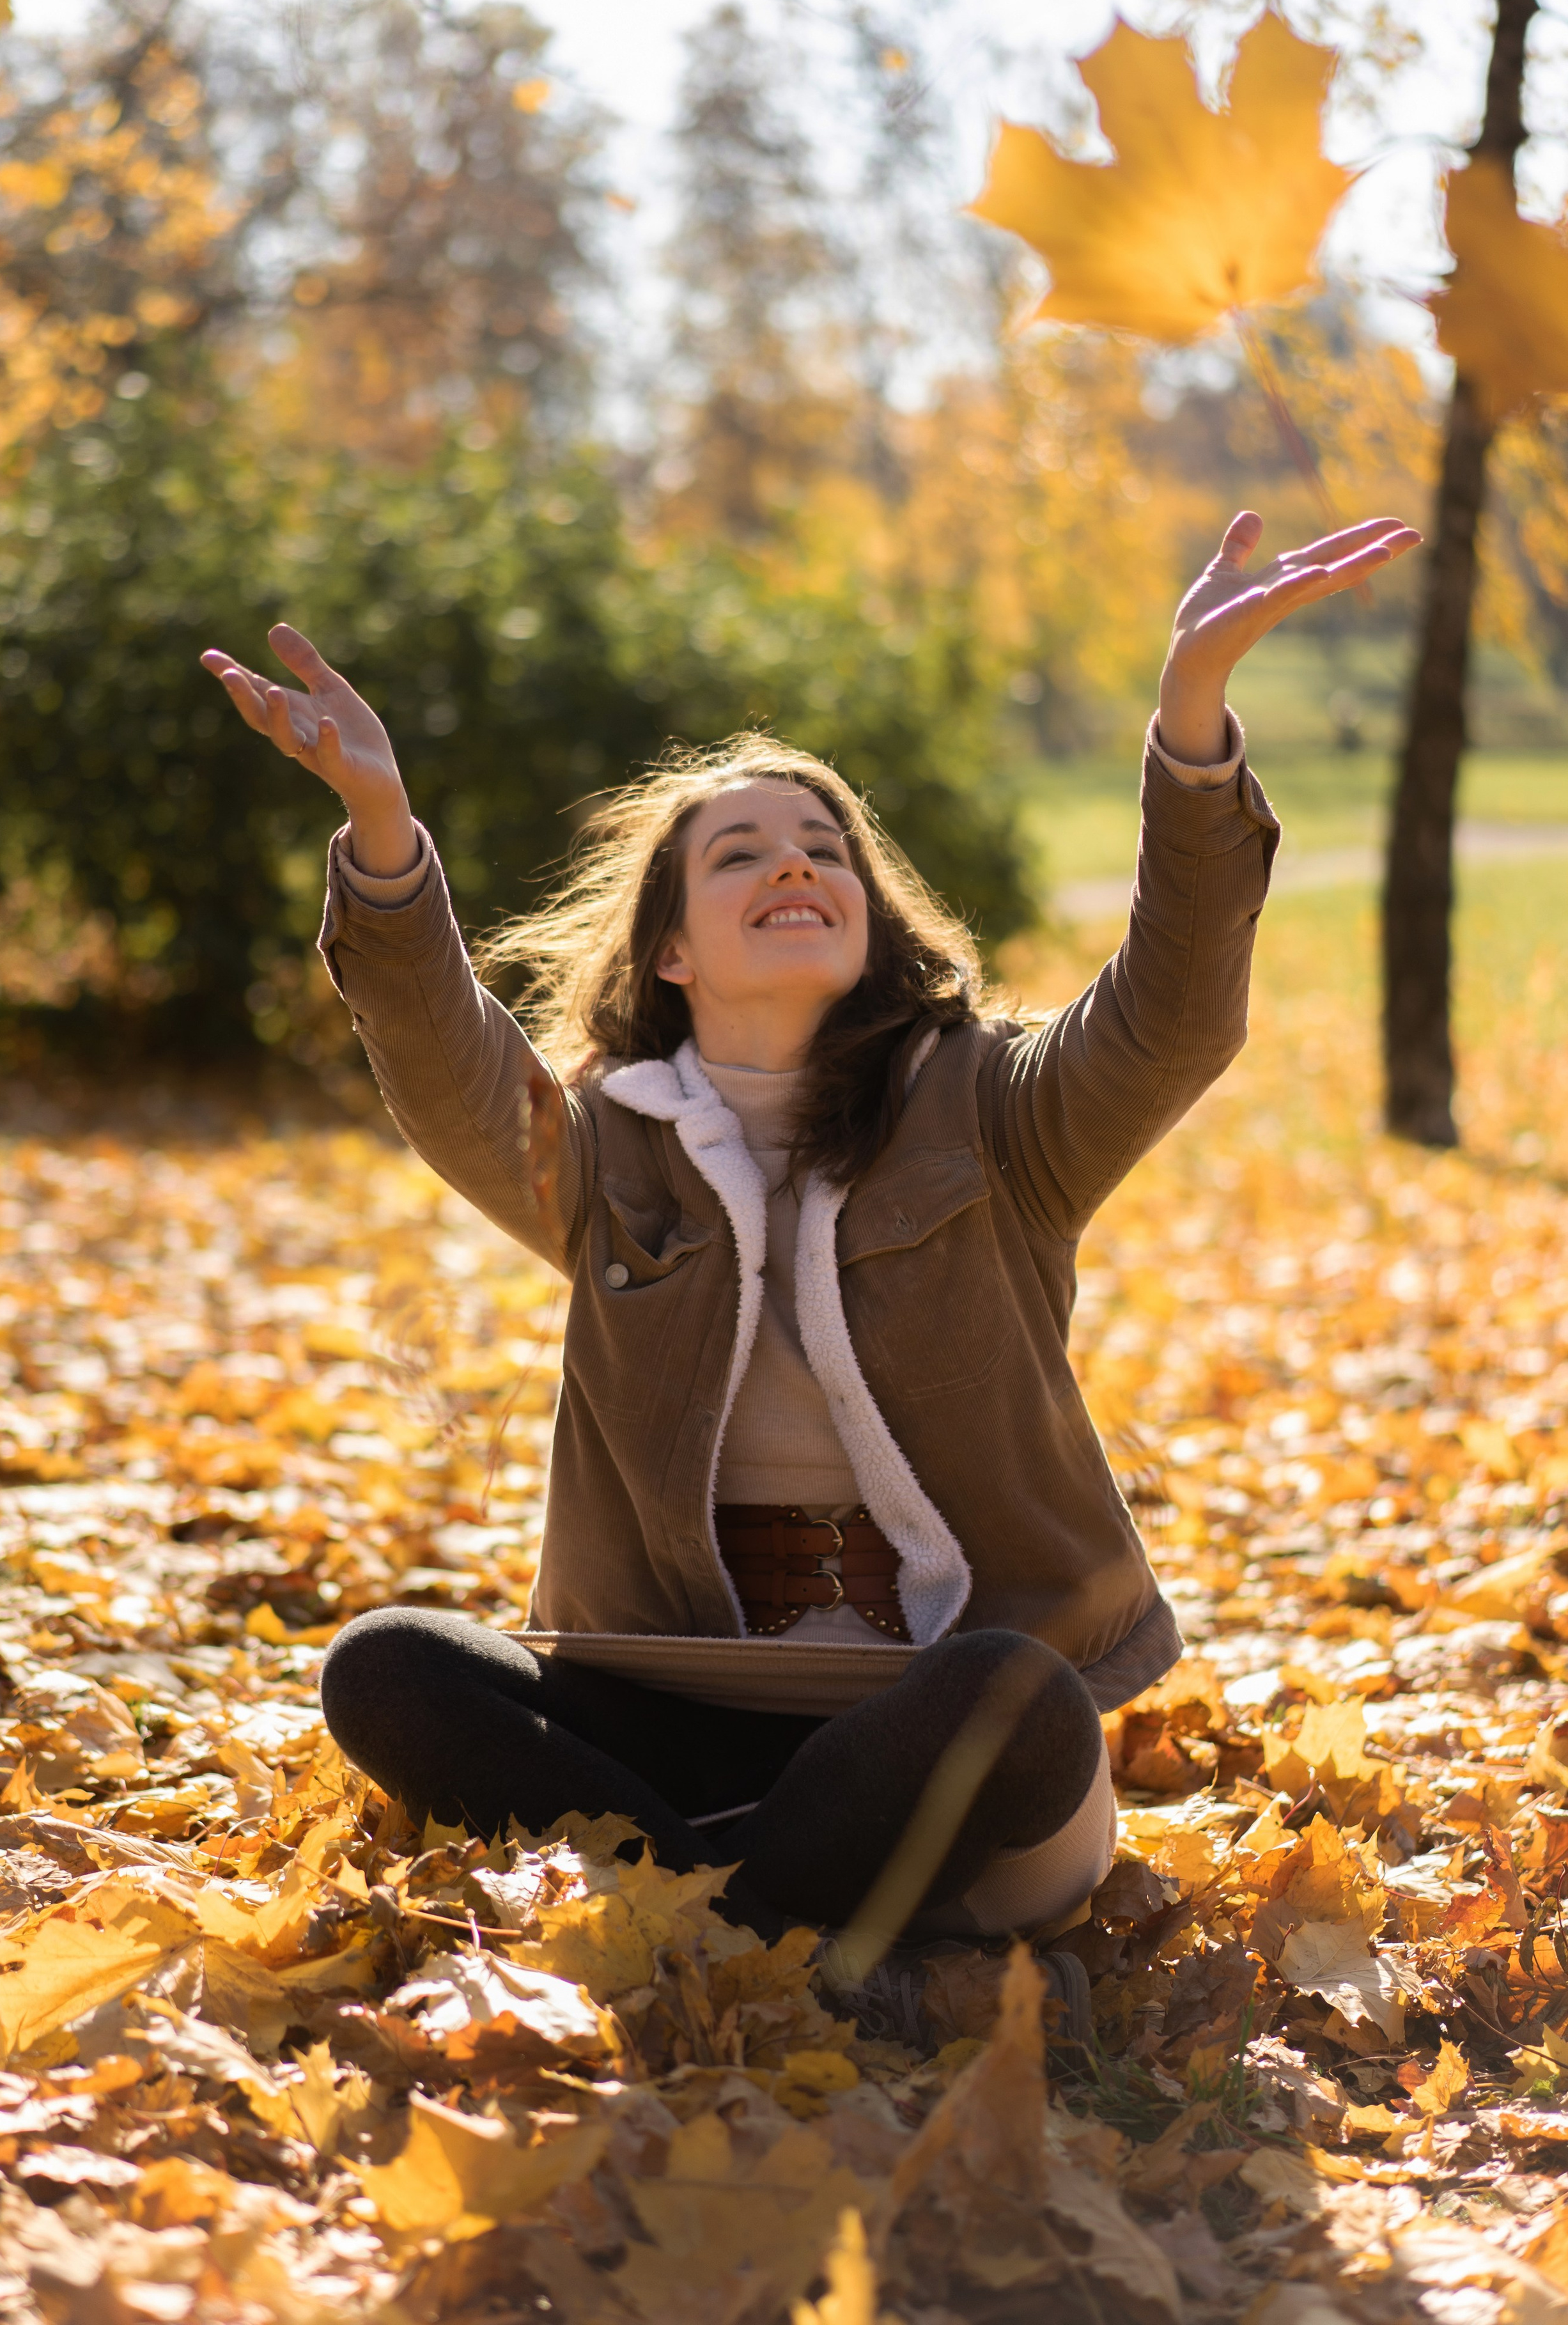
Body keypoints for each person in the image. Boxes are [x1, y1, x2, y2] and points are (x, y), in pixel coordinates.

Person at [202, 506, 1418, 1962]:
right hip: (676, 1716)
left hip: (927, 1741)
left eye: (824, 847)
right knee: (388, 1667)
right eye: (739, 856)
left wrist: (1193, 722)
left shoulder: (1002, 1113)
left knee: (1016, 1698)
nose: (793, 864)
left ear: (867, 915)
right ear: (669, 950)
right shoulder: (603, 1151)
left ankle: (697, 1914)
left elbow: (1174, 1010)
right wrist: (383, 832)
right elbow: (445, 1064)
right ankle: (761, 1914)